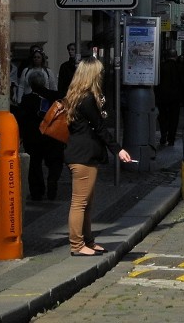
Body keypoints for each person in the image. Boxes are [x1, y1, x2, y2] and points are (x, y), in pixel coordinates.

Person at [63, 58, 132, 256]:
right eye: (100, 73)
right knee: (80, 202)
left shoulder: (75, 96)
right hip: (83, 155)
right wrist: (118, 149)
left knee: (87, 202)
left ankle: (88, 242)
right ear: (92, 75)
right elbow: (100, 128)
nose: (102, 76)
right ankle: (77, 245)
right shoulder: (86, 99)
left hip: (81, 153)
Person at [17, 69, 63, 201]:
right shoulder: (57, 96)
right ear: (45, 82)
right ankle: (52, 180)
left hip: (33, 138)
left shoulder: (27, 99)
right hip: (53, 136)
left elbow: (22, 119)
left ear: (30, 84)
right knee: (55, 161)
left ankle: (37, 192)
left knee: (34, 165)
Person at [155, 50, 184, 146]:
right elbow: (183, 83)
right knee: (174, 118)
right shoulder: (179, 67)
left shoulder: (161, 67)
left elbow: (157, 83)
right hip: (175, 98)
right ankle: (171, 138)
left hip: (162, 97)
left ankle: (163, 134)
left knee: (163, 117)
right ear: (176, 56)